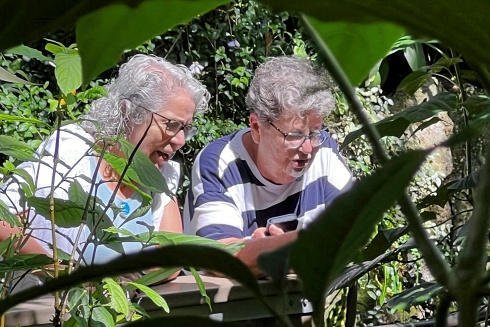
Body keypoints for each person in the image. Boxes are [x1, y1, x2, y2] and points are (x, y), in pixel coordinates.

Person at [0, 54, 210, 267]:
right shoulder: (69, 153)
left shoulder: (159, 177)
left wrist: (128, 281)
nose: (181, 140)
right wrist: (63, 277)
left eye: (186, 128)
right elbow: (3, 222)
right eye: (172, 124)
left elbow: (171, 260)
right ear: (128, 112)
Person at [183, 56, 352, 275]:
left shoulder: (324, 150)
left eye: (314, 133)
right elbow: (222, 258)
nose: (308, 148)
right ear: (256, 127)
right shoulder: (220, 163)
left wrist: (269, 248)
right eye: (294, 135)